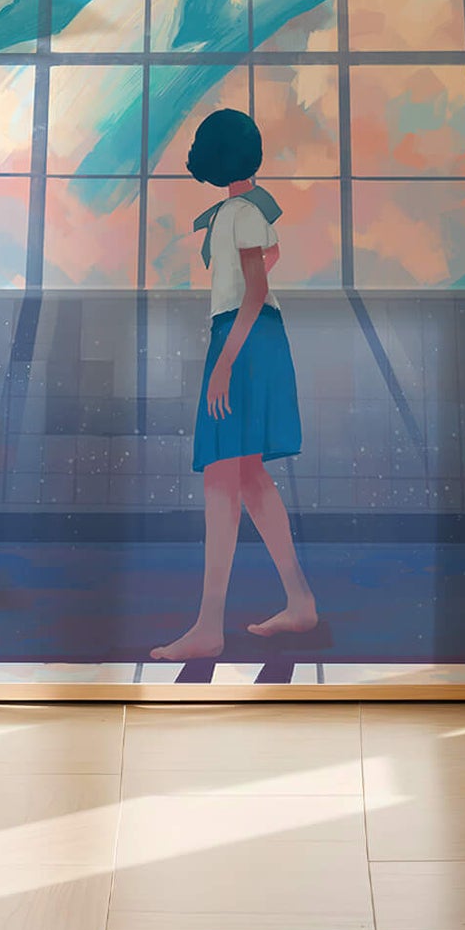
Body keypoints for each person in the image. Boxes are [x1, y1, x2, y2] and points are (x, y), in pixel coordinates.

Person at [150, 107, 317, 662]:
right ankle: (299, 601)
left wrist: (223, 363)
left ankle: (208, 626)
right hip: (253, 338)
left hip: (243, 339)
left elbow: (252, 289)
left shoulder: (240, 212)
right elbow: (266, 262)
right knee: (245, 475)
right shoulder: (241, 212)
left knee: (223, 476)